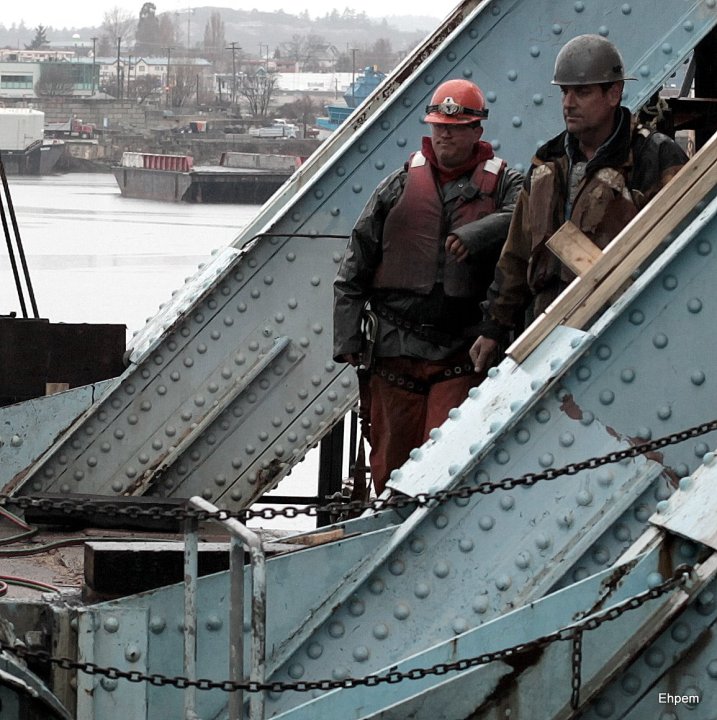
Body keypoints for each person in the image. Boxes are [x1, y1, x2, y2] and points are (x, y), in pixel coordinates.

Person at [333, 78, 524, 494]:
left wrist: (478, 234)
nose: (445, 136)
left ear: (477, 130)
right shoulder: (398, 186)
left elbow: (527, 216)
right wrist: (347, 338)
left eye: (455, 128)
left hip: (461, 354)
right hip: (394, 353)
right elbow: (355, 264)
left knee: (443, 473)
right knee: (390, 470)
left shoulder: (507, 185)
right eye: (439, 127)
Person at [470, 34, 689, 374]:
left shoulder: (654, 157)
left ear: (614, 93)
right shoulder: (547, 162)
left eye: (582, 92)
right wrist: (494, 327)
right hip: (545, 332)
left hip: (622, 334)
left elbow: (682, 254)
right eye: (564, 92)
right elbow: (517, 253)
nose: (568, 103)